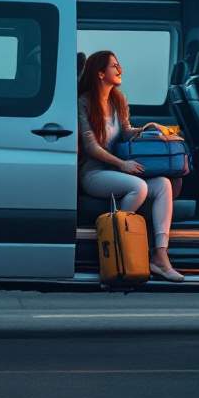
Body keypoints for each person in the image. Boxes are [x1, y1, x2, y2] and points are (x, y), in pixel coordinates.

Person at [77, 51, 184, 282]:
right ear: (100, 73)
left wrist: (148, 129)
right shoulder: (84, 102)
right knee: (139, 187)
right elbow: (91, 146)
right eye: (114, 66)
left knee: (163, 184)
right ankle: (123, 249)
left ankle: (160, 256)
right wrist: (122, 164)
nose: (120, 70)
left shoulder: (118, 100)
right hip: (94, 173)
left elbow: (125, 132)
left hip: (116, 170)